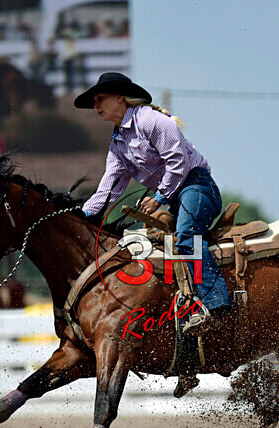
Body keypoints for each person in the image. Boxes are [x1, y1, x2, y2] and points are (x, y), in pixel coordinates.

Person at [74, 72, 231, 337]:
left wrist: (158, 198)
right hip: (171, 196)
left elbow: (179, 162)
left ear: (120, 98)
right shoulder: (118, 144)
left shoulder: (150, 120)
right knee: (152, 248)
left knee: (186, 236)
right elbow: (109, 188)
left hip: (196, 186)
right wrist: (82, 215)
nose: (96, 106)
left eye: (101, 98)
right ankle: (179, 315)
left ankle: (216, 305)